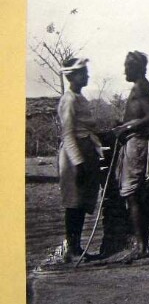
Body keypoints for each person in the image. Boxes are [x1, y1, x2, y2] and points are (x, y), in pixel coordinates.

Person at [113, 51, 149, 260]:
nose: (124, 70)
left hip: (138, 143)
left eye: (127, 67)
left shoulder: (141, 87)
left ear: (137, 68)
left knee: (132, 193)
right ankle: (142, 245)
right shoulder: (141, 86)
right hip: (135, 142)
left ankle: (141, 247)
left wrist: (127, 127)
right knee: (136, 194)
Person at [57, 57, 101, 262]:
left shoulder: (80, 98)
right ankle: (71, 250)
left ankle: (77, 248)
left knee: (81, 202)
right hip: (74, 156)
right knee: (74, 203)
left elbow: (88, 127)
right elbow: (68, 133)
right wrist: (78, 162)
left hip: (86, 150)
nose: (87, 76)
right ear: (72, 76)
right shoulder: (69, 100)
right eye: (83, 73)